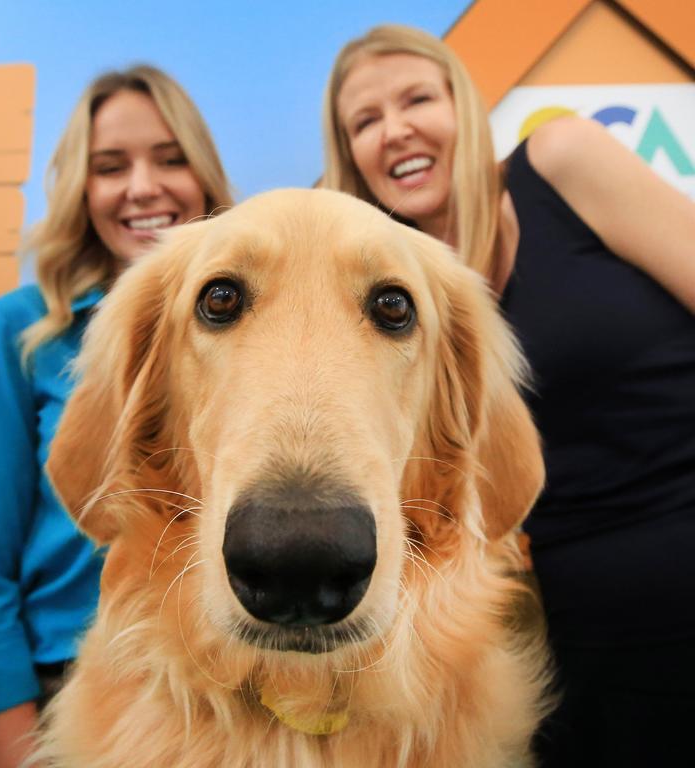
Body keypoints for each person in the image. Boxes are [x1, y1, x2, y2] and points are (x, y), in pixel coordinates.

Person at [322, 24, 695, 768]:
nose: (395, 130)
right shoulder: (384, 303)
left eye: (416, 99)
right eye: (365, 121)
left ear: (462, 105)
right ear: (351, 158)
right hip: (586, 635)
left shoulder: (561, 160)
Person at [0, 64, 233, 768]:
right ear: (81, 188)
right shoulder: (20, 331)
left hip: (222, 702)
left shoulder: (259, 330)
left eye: (170, 159)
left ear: (204, 177)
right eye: (111, 167)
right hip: (60, 695)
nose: (142, 186)